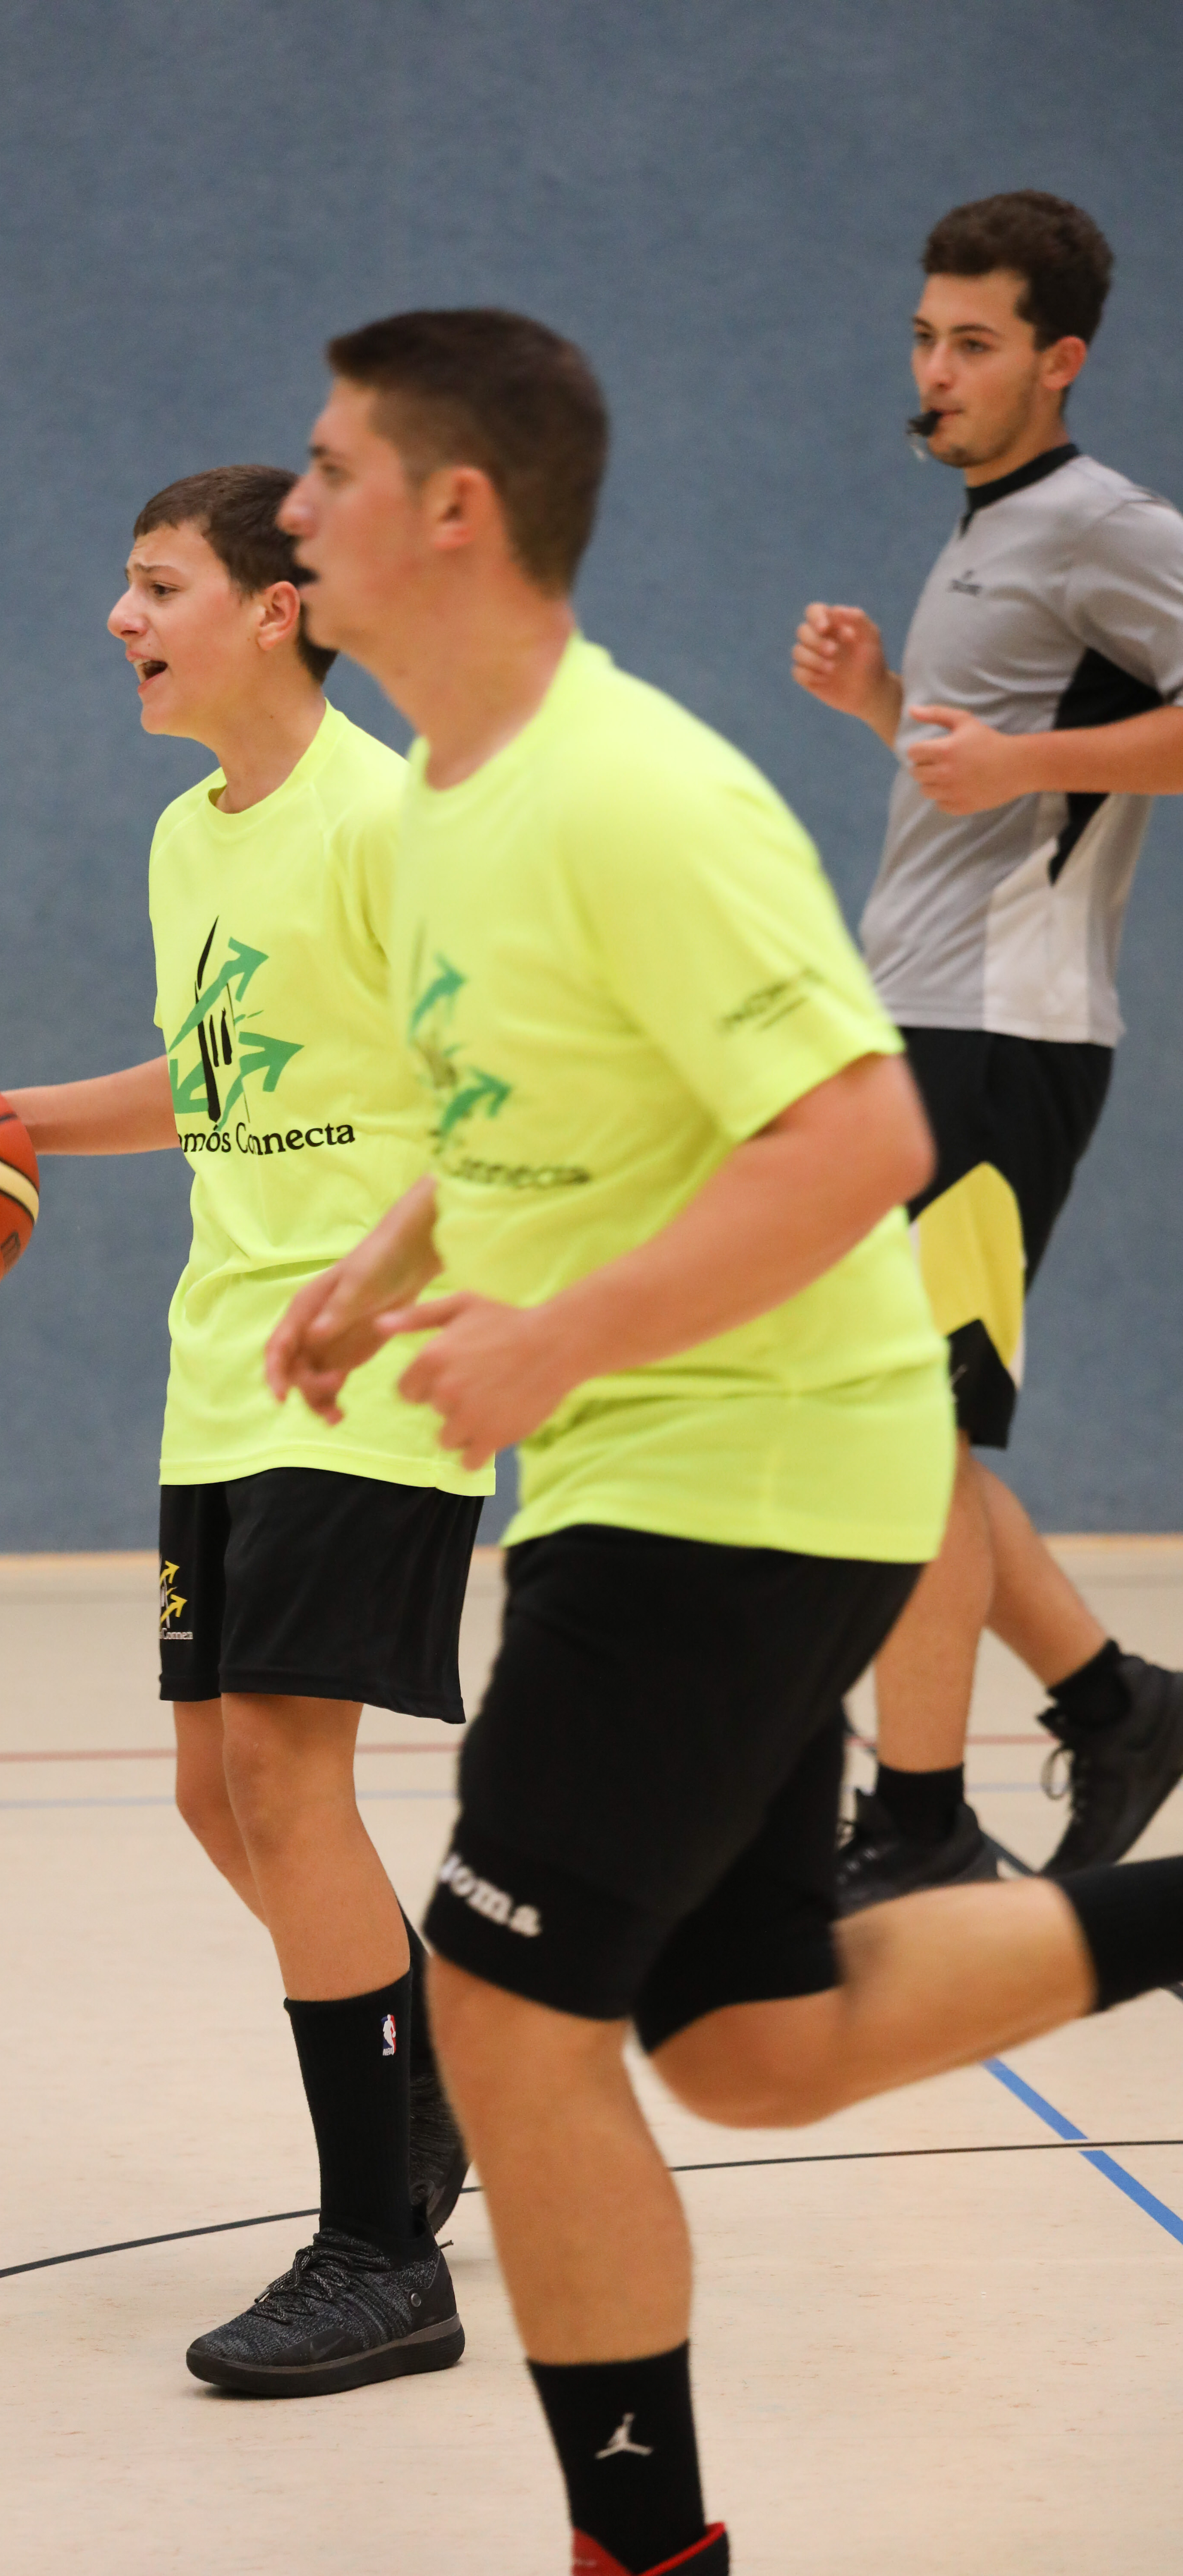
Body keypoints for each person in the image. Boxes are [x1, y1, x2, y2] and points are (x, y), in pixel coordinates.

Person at [267, 305, 1183, 2576]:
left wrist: (559, 1339)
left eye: (328, 469)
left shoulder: (634, 792)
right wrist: (389, 1264)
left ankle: (647, 2557)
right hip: (682, 1459)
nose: (292, 507)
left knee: (506, 2012)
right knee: (750, 2042)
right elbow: (532, 1093)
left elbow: (862, 1132)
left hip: (740, 1463)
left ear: (452, 509)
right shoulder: (444, 803)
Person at [6, 463, 491, 2397]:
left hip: (368, 1366)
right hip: (222, 1365)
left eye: (156, 586)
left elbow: (511, 1101)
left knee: (291, 1783)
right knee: (217, 1796)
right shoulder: (184, 841)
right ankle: (432, 2066)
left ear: (274, 609)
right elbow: (217, 1084)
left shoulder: (391, 819)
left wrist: (383, 1281)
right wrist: (0, 1122)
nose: (120, 621)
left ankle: (380, 2251)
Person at [793, 191, 1183, 1909]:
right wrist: (888, 709)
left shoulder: (1103, 526)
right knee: (900, 1420)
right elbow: (995, 776)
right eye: (923, 338)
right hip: (918, 1021)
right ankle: (1114, 1710)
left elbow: (1039, 777)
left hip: (1002, 1036)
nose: (936, 371)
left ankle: (927, 1818)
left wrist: (1026, 767)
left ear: (1059, 360)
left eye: (973, 343)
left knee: (904, 1434)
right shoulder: (987, 530)